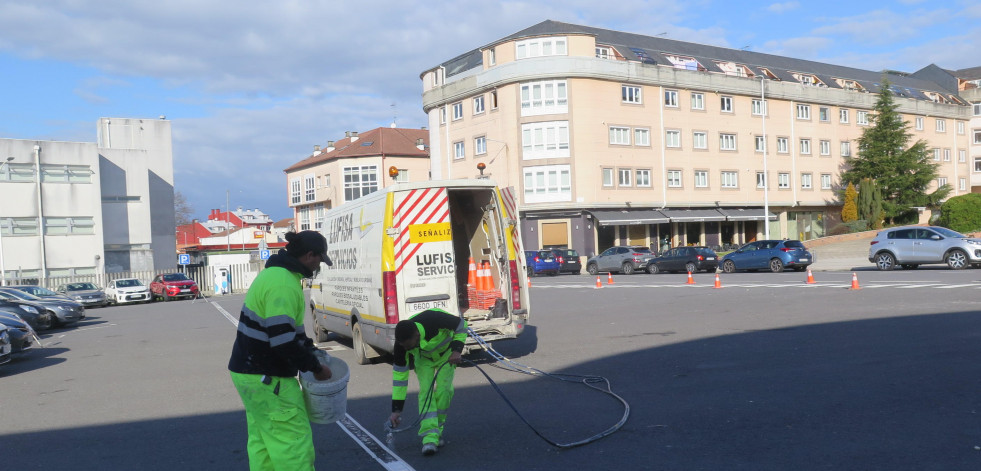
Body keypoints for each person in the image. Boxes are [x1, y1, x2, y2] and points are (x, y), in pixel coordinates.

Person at [228, 230, 334, 470]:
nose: (319, 265)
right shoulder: (284, 284)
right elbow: (283, 341)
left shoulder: (272, 275)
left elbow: (291, 332)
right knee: (292, 444)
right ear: (309, 255)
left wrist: (309, 349)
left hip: (248, 374)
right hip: (269, 378)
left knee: (264, 442)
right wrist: (316, 368)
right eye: (320, 259)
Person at [388, 308, 469, 456]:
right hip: (424, 360)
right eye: (403, 346)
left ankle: (437, 431)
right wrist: (396, 410)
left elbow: (461, 324)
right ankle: (429, 438)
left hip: (446, 355)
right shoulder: (401, 346)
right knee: (426, 392)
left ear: (417, 335)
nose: (405, 349)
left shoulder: (433, 318)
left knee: (444, 390)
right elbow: (400, 379)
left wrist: (456, 350)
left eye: (408, 345)